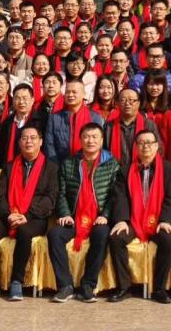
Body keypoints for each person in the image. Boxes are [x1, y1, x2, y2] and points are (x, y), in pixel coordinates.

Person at [0, 125, 59, 301]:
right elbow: (0, 196)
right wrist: (8, 214)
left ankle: (17, 281)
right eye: (24, 138)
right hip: (9, 215)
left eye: (33, 138)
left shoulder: (51, 168)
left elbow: (50, 199)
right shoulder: (10, 167)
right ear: (19, 142)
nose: (28, 141)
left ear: (41, 142)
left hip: (34, 217)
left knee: (24, 231)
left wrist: (27, 215)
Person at [48, 123, 122, 303]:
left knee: (102, 234)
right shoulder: (69, 164)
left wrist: (105, 215)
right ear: (80, 140)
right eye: (86, 137)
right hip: (74, 217)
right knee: (55, 234)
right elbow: (61, 193)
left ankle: (88, 285)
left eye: (95, 137)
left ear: (102, 140)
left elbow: (115, 195)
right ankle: (65, 286)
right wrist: (65, 213)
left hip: (99, 218)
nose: (90, 141)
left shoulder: (112, 164)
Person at [108, 129, 171, 304]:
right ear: (136, 147)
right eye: (141, 143)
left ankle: (159, 289)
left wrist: (166, 220)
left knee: (167, 239)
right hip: (133, 219)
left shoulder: (169, 169)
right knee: (116, 238)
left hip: (159, 219)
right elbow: (120, 197)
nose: (145, 146)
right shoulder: (125, 170)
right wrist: (122, 220)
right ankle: (124, 287)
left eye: (149, 142)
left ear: (156, 146)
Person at [45, 80, 104, 163]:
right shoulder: (54, 118)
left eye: (74, 92)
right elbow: (49, 145)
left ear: (83, 94)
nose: (70, 95)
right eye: (67, 92)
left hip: (87, 165)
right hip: (60, 165)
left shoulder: (94, 117)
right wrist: (57, 166)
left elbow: (98, 144)